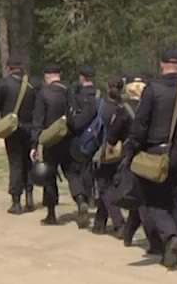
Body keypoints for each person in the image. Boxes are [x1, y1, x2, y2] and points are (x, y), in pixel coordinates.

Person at [126, 49, 177, 269]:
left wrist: (131, 149)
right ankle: (174, 249)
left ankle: (170, 237)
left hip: (157, 152)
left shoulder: (153, 90)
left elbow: (140, 124)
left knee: (154, 201)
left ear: (162, 65)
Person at [0, 58, 36, 214]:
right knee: (29, 163)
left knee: (15, 163)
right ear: (21, 67)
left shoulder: (3, 84)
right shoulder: (33, 84)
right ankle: (30, 198)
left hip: (12, 130)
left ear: (9, 68)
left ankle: (16, 201)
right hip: (30, 128)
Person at [116, 74, 162, 255]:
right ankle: (130, 234)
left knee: (141, 199)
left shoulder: (124, 109)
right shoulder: (154, 108)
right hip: (149, 155)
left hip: (131, 155)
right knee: (142, 196)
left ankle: (152, 240)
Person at [29, 64, 77, 225]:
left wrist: (34, 145)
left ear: (46, 76)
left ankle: (51, 214)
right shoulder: (69, 90)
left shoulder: (43, 93)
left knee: (50, 177)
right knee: (72, 173)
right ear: (59, 75)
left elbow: (38, 120)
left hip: (50, 141)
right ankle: (82, 201)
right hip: (68, 139)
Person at [65, 66, 102, 229]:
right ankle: (90, 198)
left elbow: (74, 121)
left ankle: (81, 199)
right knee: (89, 170)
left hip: (77, 139)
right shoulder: (101, 96)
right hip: (95, 140)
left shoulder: (76, 96)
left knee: (73, 171)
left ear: (81, 78)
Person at [91, 75, 128, 236]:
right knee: (108, 185)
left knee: (105, 188)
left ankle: (119, 223)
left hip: (104, 151)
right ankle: (99, 223)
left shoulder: (101, 106)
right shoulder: (124, 107)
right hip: (121, 152)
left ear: (107, 87)